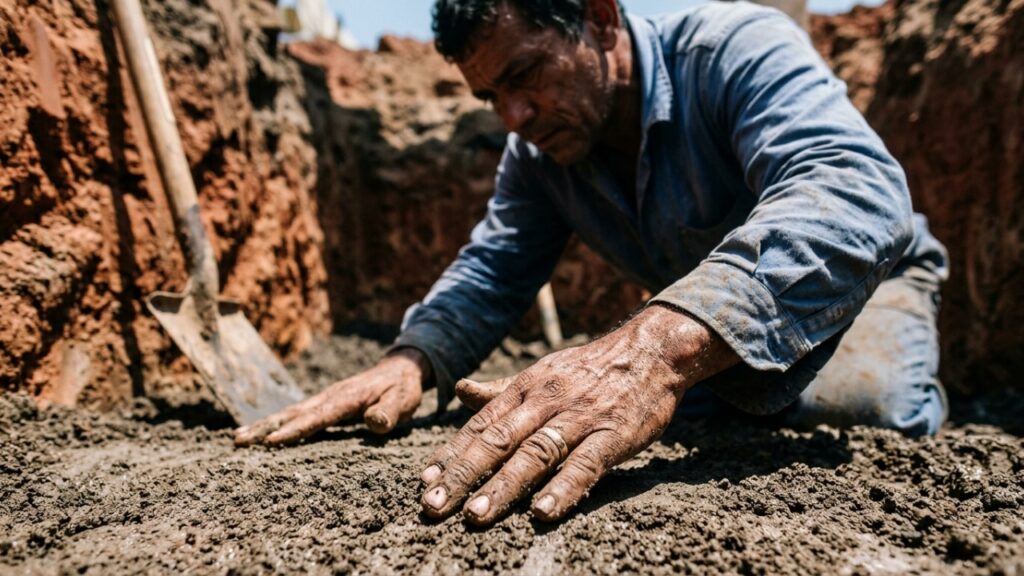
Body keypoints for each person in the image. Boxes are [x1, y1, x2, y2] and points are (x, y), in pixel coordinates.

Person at [236, 0, 949, 527]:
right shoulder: (538, 154)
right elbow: (494, 269)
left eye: (525, 73)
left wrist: (651, 353)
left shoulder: (734, 47)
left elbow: (853, 190)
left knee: (865, 407)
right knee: (695, 416)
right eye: (490, 97)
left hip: (861, 285)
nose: (513, 116)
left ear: (600, 19)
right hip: (704, 338)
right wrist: (411, 361)